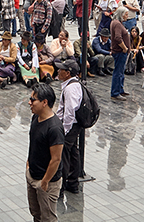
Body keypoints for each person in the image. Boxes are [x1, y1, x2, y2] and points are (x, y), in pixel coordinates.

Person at [26, 82, 65, 222]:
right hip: (33, 175)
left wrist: (45, 182)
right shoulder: (35, 117)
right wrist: (28, 165)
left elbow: (56, 159)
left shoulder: (54, 128)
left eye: (33, 100)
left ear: (44, 102)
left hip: (46, 182)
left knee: (47, 218)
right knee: (36, 213)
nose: (29, 103)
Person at [54, 59, 83, 195]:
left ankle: (62, 186)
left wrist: (64, 130)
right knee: (73, 153)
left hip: (71, 125)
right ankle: (73, 183)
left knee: (64, 154)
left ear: (68, 73)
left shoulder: (70, 88)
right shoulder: (74, 84)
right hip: (74, 125)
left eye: (61, 70)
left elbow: (70, 112)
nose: (58, 71)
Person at [109, 7, 131, 101]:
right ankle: (115, 92)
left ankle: (120, 89)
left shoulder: (115, 22)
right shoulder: (117, 24)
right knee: (118, 72)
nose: (127, 16)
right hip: (119, 52)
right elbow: (118, 38)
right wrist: (124, 48)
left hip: (119, 51)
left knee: (121, 71)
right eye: (126, 14)